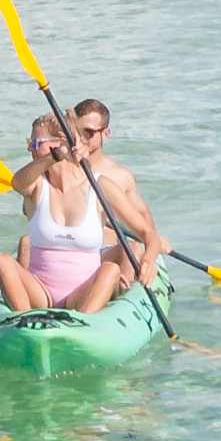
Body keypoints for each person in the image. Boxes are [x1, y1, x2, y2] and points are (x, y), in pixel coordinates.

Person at [0, 109, 119, 317]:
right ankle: (25, 322)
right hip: (42, 292)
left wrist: (151, 246)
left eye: (36, 143)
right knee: (3, 260)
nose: (31, 148)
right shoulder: (36, 184)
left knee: (111, 269)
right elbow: (17, 183)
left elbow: (141, 224)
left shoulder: (99, 182)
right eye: (29, 142)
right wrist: (52, 157)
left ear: (59, 143)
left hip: (80, 293)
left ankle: (81, 325)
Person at [70, 95, 173, 297]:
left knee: (132, 249)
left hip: (104, 250)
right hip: (66, 247)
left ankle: (121, 298)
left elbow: (142, 213)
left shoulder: (119, 175)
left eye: (89, 133)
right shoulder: (60, 170)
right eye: (77, 132)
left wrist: (152, 246)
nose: (82, 139)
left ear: (105, 134)